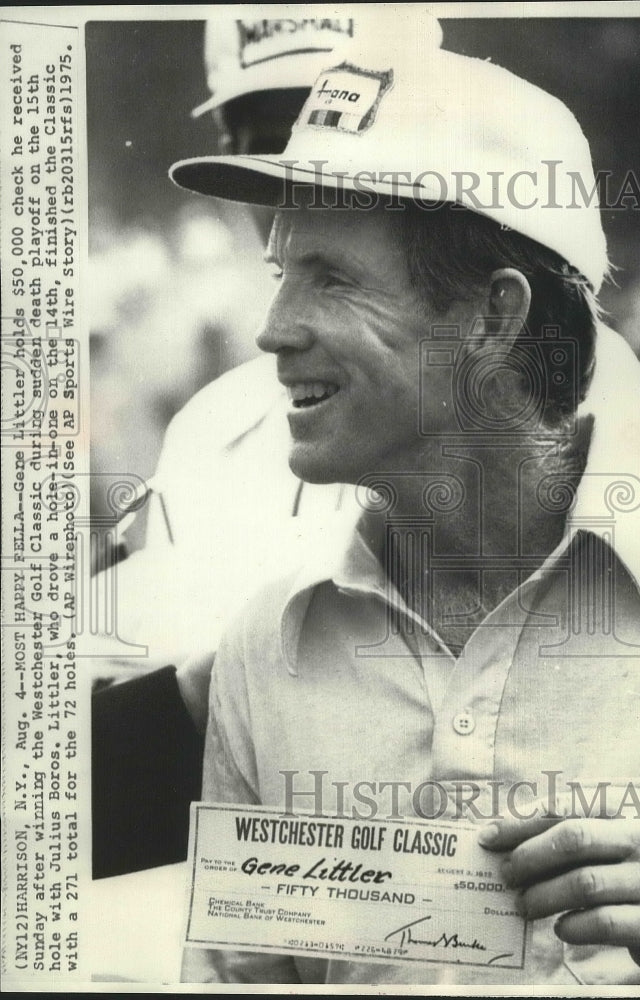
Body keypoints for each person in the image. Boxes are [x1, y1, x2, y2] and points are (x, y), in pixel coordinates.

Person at [171, 23, 640, 987]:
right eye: (279, 273)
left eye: (331, 279)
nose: (270, 330)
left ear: (492, 319)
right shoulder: (268, 647)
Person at [91, 16, 352, 878]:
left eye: (326, 122)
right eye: (251, 141)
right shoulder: (211, 425)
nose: (279, 178)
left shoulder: (559, 391)